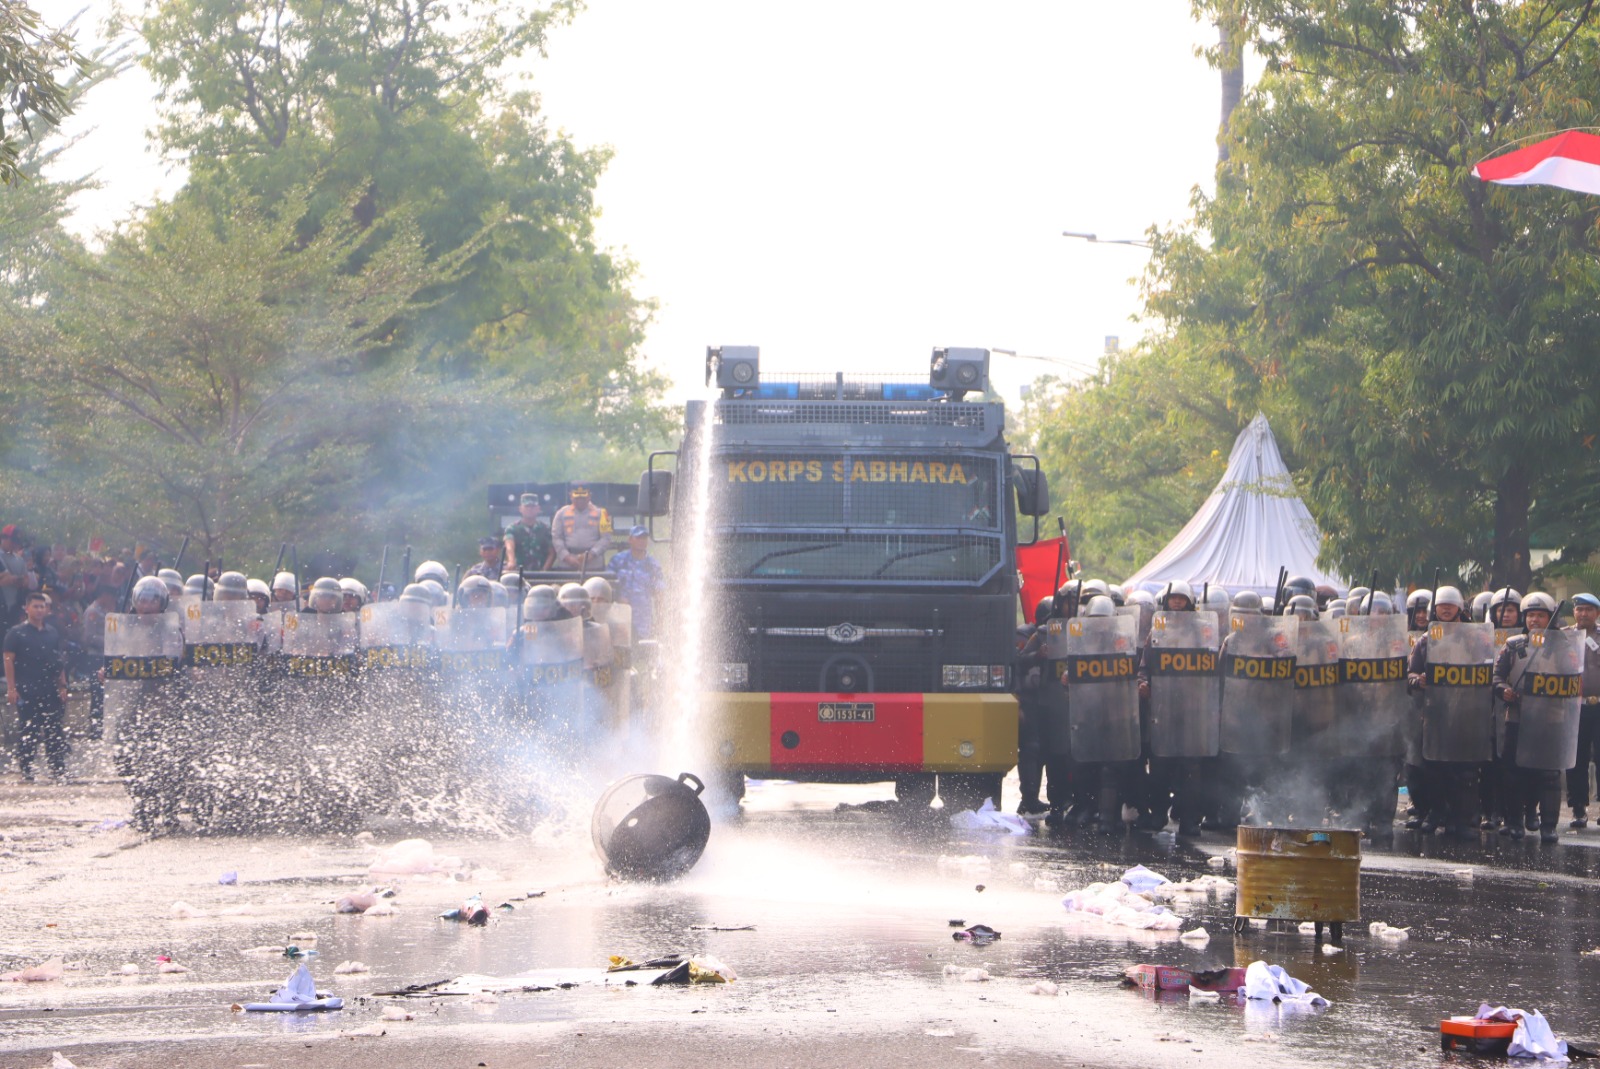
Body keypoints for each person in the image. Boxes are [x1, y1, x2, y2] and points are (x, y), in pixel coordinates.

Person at [1492, 591, 1566, 842]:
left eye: (1541, 615)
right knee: (1513, 772)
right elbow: (1496, 677)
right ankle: (1514, 821)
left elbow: (1575, 678)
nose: (1535, 620)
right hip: (1517, 718)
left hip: (1551, 720)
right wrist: (1504, 691)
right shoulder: (1513, 645)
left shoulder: (1564, 645)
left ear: (1550, 618)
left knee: (1548, 774)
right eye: (1531, 615)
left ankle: (1549, 826)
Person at [5, 592, 70, 782]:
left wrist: (62, 685)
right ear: (27, 608)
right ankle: (26, 768)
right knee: (29, 730)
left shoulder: (52, 632)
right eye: (35, 606)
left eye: (42, 607)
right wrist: (11, 688)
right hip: (27, 689)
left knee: (54, 730)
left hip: (50, 689)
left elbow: (58, 661)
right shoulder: (16, 633)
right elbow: (8, 660)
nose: (39, 610)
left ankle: (57, 768)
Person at [1567, 592, 1600, 830]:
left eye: (1589, 610)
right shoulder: (1565, 637)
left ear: (1597, 613)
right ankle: (1578, 808)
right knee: (1575, 758)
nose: (1584, 614)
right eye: (1580, 609)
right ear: (1574, 612)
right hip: (1573, 706)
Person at [610, 526, 665, 640]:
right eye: (638, 538)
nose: (642, 541)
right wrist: (617, 597)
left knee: (643, 653)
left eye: (644, 538)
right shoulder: (618, 561)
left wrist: (660, 622)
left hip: (643, 621)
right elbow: (606, 586)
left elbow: (660, 593)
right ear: (630, 539)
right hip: (620, 619)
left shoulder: (652, 565)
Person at [551, 483, 612, 570]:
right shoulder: (561, 513)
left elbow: (606, 538)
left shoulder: (601, 513)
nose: (580, 500)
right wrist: (566, 556)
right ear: (570, 496)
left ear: (589, 496)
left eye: (583, 497)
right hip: (567, 563)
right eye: (577, 497)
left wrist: (592, 554)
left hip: (593, 564)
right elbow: (556, 537)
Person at [504, 492, 554, 573]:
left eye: (533, 506)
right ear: (520, 509)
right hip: (518, 573)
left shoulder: (546, 529)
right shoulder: (512, 528)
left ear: (538, 509)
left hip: (541, 574)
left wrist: (544, 571)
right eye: (527, 506)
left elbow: (552, 553)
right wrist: (511, 561)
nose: (530, 509)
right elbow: (509, 546)